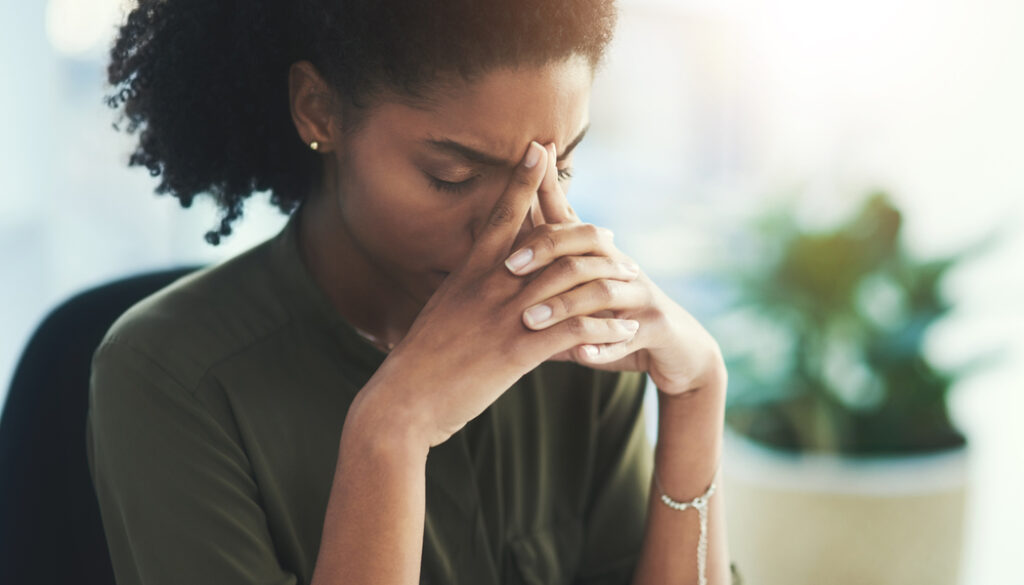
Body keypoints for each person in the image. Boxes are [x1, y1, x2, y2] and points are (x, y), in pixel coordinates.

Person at [86, 1, 742, 584]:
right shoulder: (171, 379)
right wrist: (391, 432)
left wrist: (697, 390)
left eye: (558, 167)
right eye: (452, 176)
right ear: (319, 109)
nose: (520, 227)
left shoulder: (574, 334)